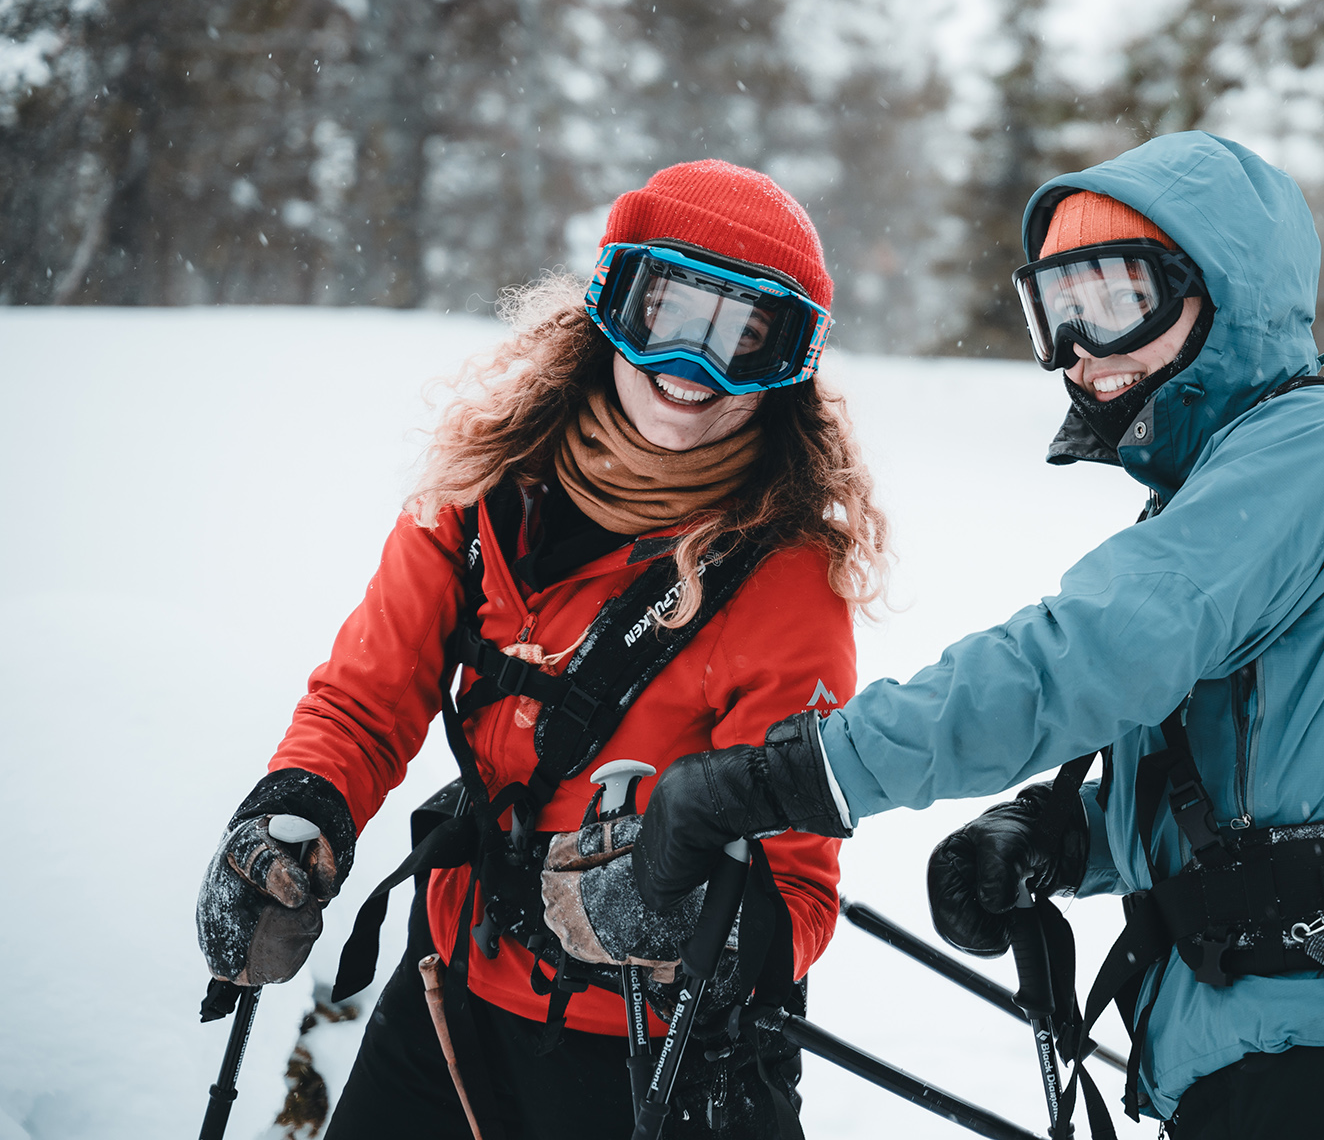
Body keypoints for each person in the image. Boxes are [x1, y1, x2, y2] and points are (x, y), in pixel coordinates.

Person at [606, 132, 1324, 1139]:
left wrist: (794, 774)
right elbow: (1263, 804)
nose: (1082, 349)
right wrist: (1067, 840)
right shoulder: (1218, 489)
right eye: (1057, 309)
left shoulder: (1315, 444)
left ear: (1221, 292)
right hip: (1286, 1066)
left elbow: (1088, 657)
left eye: (1116, 299)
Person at [194, 159, 887, 1140]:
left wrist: (682, 915)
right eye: (670, 312)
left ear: (789, 363)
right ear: (613, 301)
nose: (695, 366)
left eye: (744, 336)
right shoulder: (485, 486)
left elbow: (800, 894)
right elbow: (366, 698)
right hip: (448, 987)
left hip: (652, 1058)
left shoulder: (785, 579)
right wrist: (296, 808)